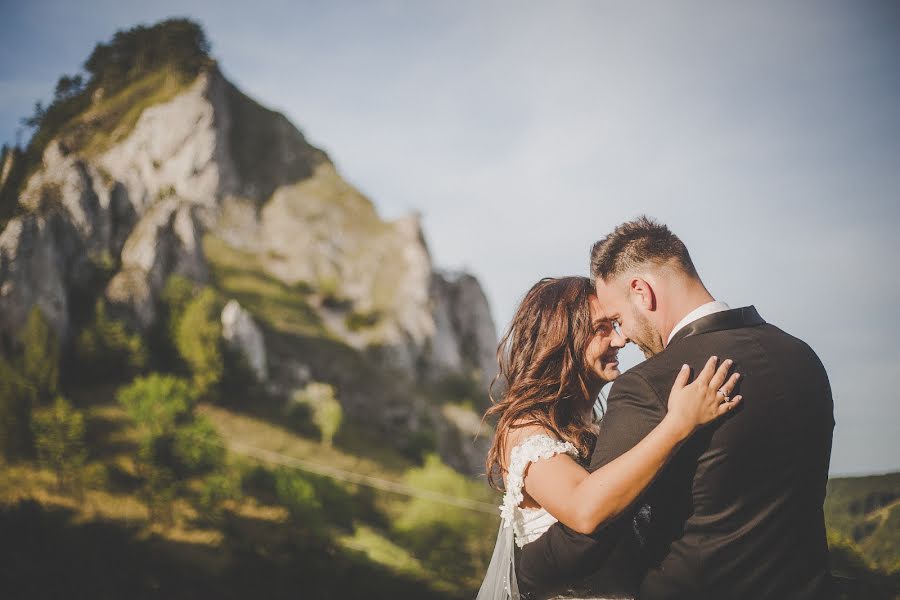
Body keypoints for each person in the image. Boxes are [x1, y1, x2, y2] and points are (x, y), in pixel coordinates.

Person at [518, 217, 835, 600]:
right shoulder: (802, 357)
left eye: (618, 319)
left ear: (642, 291)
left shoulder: (654, 384)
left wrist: (524, 572)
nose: (625, 338)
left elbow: (591, 535)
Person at [477, 276, 742, 600]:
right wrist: (679, 424)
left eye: (616, 325)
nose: (620, 340)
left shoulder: (601, 429)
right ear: (563, 337)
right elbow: (584, 509)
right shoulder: (524, 428)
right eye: (603, 328)